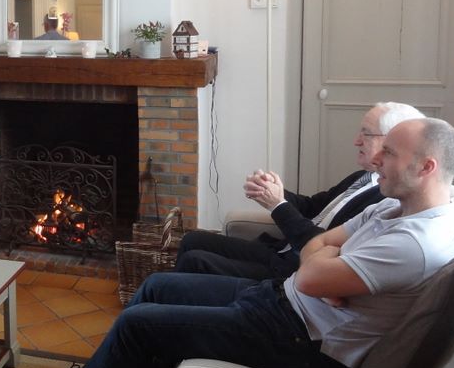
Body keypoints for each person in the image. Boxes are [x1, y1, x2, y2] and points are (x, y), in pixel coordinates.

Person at [5, 117, 454, 368]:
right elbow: (317, 247)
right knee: (156, 285)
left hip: (301, 341)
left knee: (135, 323)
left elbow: (312, 270)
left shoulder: (416, 242)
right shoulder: (390, 207)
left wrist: (320, 263)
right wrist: (321, 262)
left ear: (426, 167)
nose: (376, 158)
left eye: (390, 152)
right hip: (282, 303)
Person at [176, 102, 424, 280]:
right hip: (281, 250)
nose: (356, 141)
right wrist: (273, 192)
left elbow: (324, 245)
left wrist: (278, 205)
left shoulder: (385, 197)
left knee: (195, 260)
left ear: (392, 141)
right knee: (192, 240)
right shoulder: (364, 177)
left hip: (294, 268)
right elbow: (312, 207)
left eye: (366, 134)